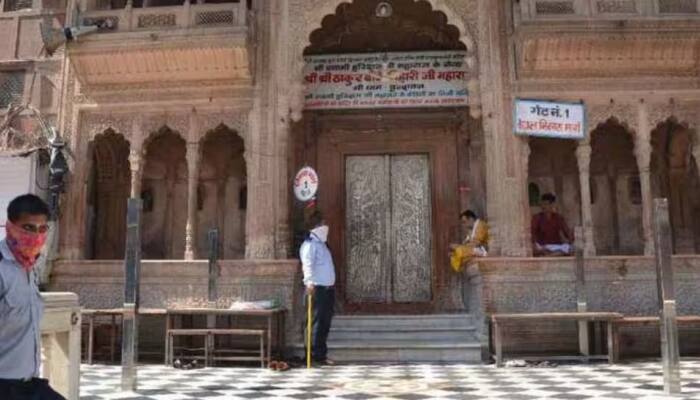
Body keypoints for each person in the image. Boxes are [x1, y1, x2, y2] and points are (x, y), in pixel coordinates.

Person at [0, 194, 66, 400]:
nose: (36, 235)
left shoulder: (31, 266)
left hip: (29, 384)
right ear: (10, 227)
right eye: (28, 228)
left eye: (42, 229)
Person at [300, 210, 336, 366]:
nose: (325, 226)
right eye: (322, 224)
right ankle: (312, 355)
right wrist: (309, 283)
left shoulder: (322, 245)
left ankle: (321, 354)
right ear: (316, 226)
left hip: (327, 289)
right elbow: (307, 265)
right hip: (316, 289)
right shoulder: (309, 245)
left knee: (324, 323)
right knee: (315, 323)